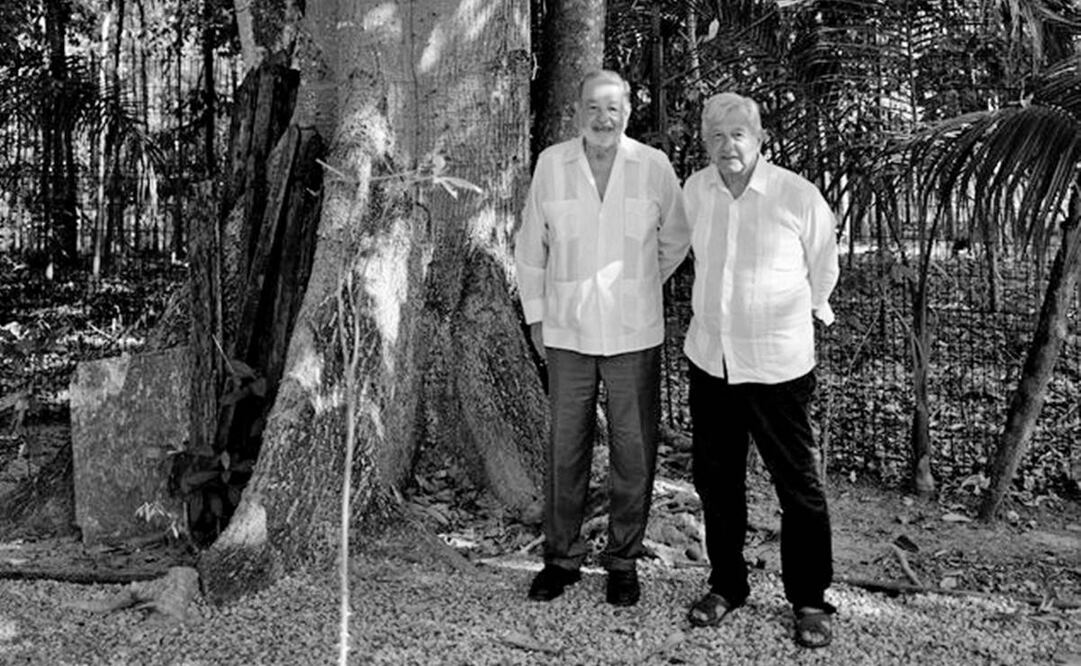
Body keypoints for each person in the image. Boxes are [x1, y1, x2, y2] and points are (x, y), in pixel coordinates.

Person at [514, 69, 689, 607]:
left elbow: (676, 237)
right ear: (577, 112)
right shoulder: (552, 164)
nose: (602, 118)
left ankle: (622, 562)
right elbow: (531, 246)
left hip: (634, 333)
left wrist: (638, 283)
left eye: (612, 108)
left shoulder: (654, 167)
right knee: (565, 449)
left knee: (633, 451)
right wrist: (537, 317)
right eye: (592, 106)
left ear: (628, 112)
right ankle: (561, 559)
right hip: (567, 330)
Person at [681, 92, 840, 648]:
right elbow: (681, 251)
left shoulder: (797, 195)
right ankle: (727, 584)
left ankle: (810, 598)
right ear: (705, 142)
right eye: (717, 136)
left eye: (738, 134)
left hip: (777, 367)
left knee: (797, 485)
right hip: (712, 361)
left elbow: (824, 268)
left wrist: (797, 316)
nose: (728, 146)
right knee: (717, 482)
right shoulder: (695, 191)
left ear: (759, 139)